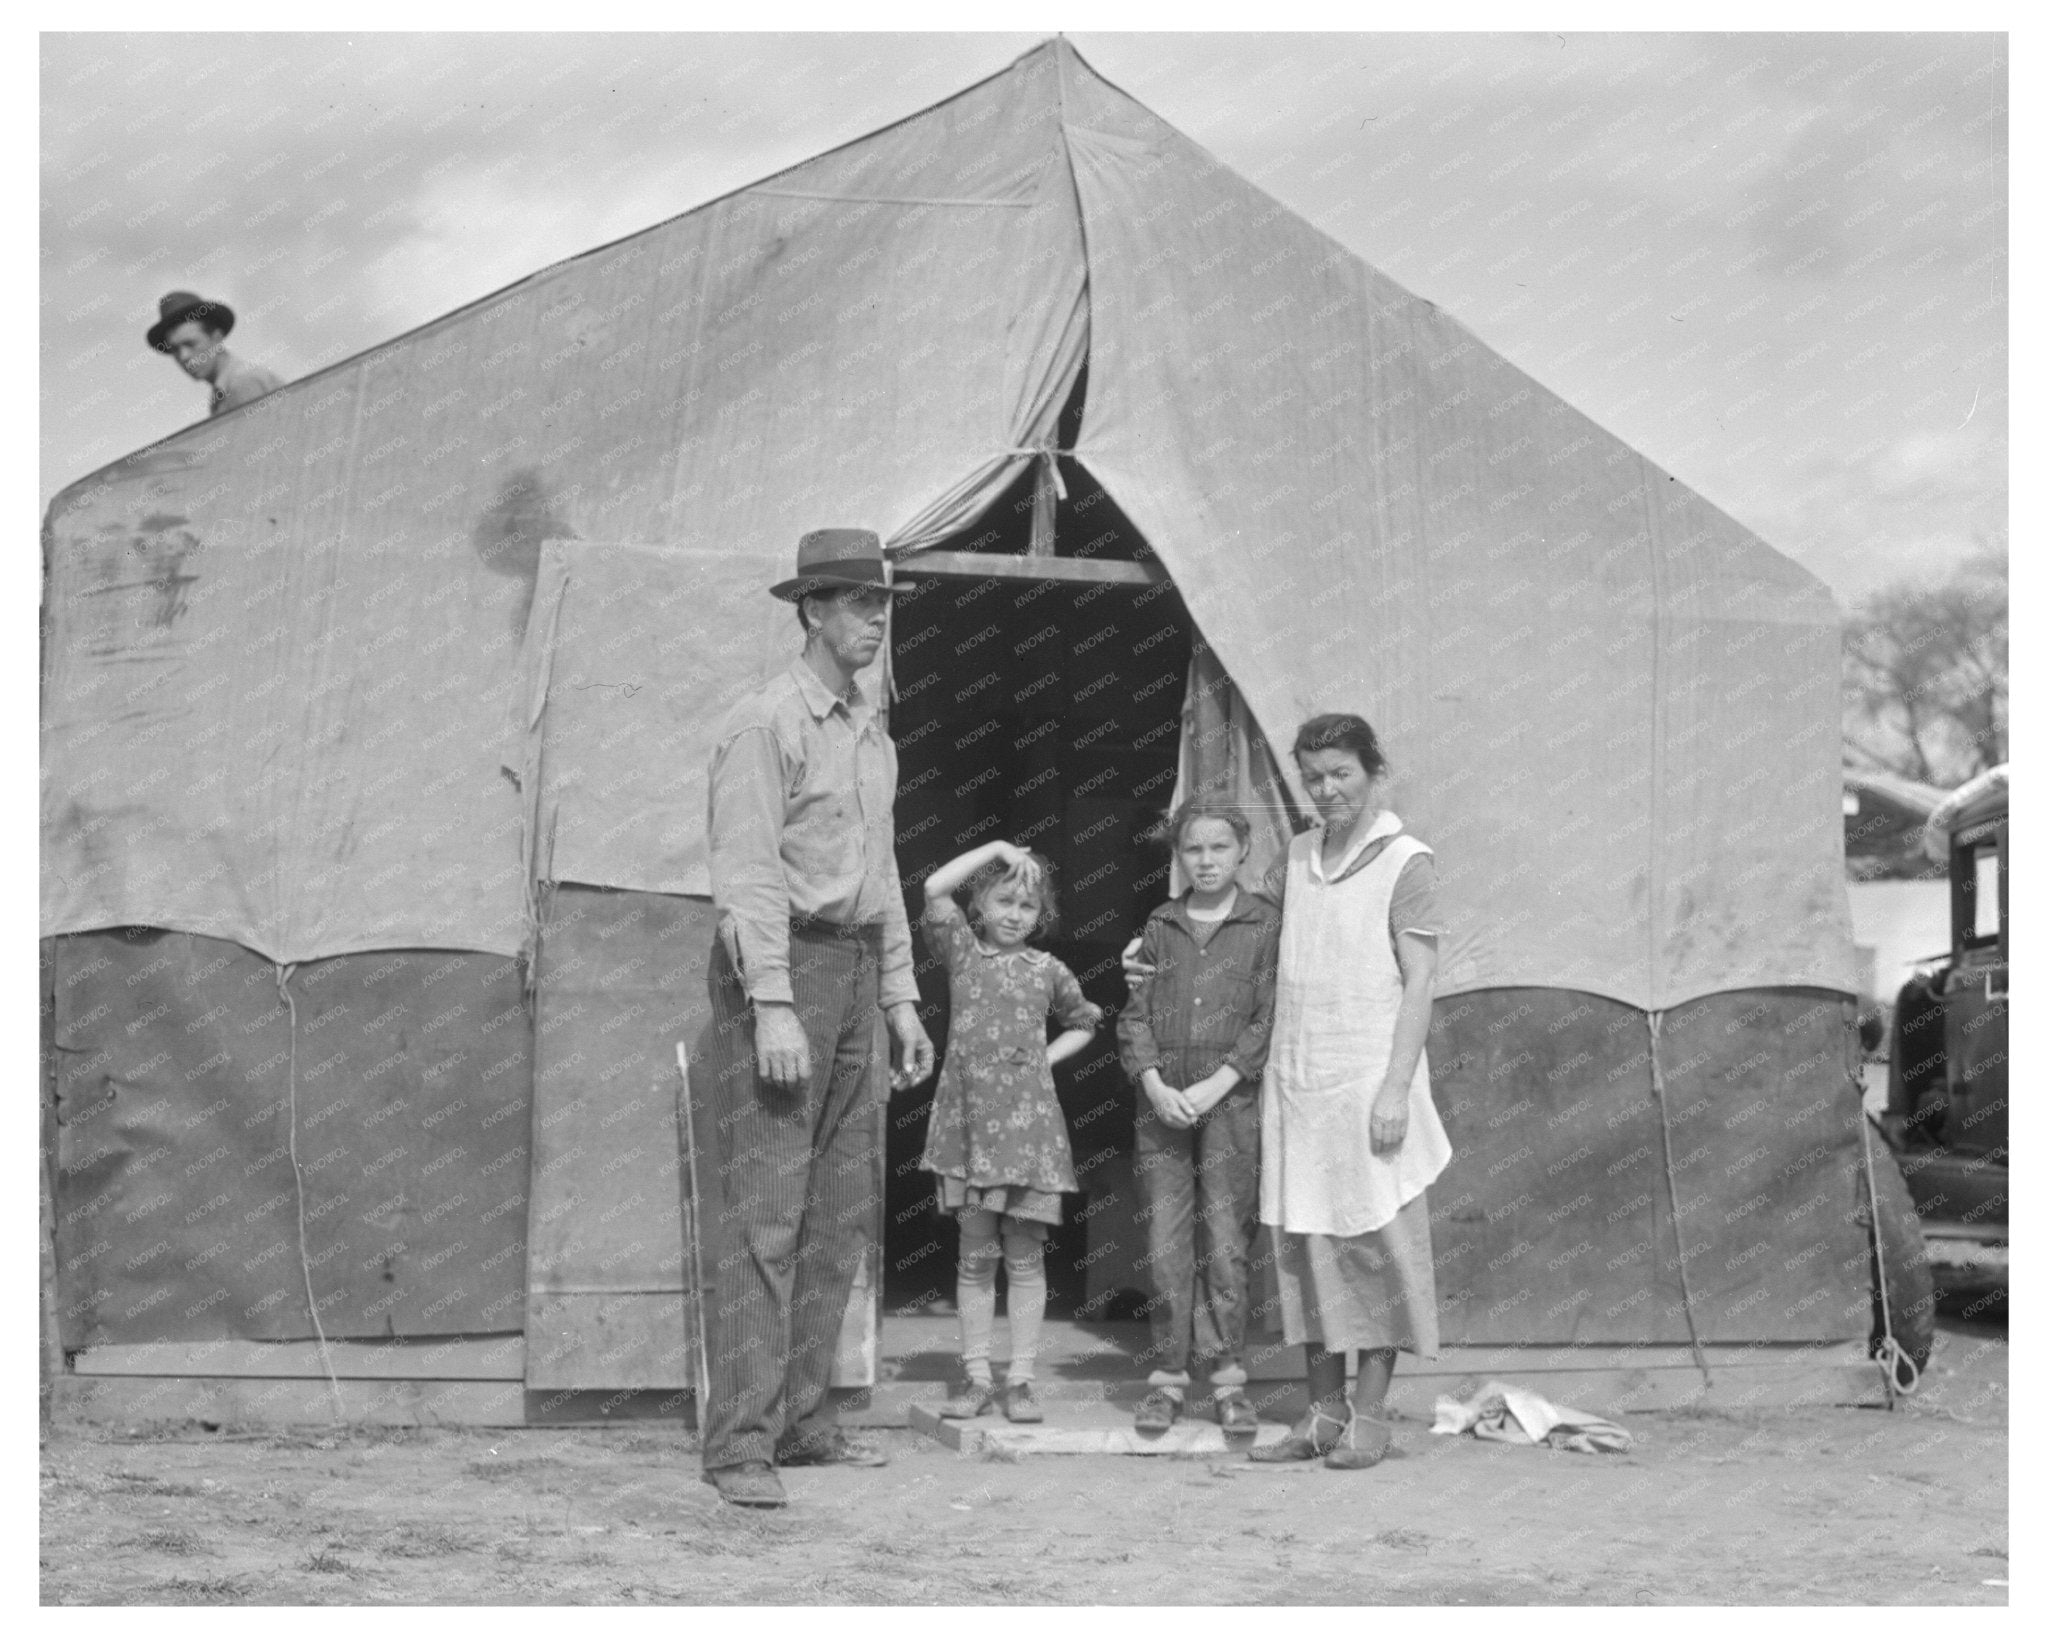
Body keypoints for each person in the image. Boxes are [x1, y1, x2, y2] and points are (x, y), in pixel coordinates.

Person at [698, 526, 937, 1509]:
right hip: (783, 969)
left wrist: (900, 996)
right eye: (856, 603)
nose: (875, 620)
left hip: (850, 975)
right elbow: (746, 875)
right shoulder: (766, 723)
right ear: (811, 611)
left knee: (839, 1218)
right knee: (767, 1219)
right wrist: (772, 1005)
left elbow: (878, 873)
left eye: (883, 604)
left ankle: (801, 1420)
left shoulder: (869, 731)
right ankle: (739, 1446)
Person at [1246, 711, 1452, 1469]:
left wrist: (1396, 1088)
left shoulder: (1407, 862)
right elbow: (1251, 937)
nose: (1327, 790)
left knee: (1375, 1250)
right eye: (1314, 778)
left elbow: (1422, 979)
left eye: (1342, 774)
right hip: (1300, 1084)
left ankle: (1370, 1417)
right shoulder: (1297, 856)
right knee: (1306, 1248)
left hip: (1370, 1080)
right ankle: (1321, 1416)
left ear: (1374, 773)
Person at [921, 840, 1102, 1424]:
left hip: (1029, 1139)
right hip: (968, 1132)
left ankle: (1020, 1380)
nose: (1014, 914)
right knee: (975, 1258)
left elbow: (1085, 1021)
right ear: (980, 906)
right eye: (1003, 900)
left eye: (1027, 905)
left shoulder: (1048, 970)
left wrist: (1045, 1059)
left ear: (1040, 915)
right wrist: (998, 848)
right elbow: (932, 889)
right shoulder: (963, 955)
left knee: (1023, 1257)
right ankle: (975, 1377)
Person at [1115, 801, 1280, 1436]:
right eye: (1192, 850)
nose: (1206, 861)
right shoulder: (1160, 924)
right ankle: (1167, 1379)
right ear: (1177, 856)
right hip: (1162, 1105)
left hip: (1231, 1103)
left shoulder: (1264, 924)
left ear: (1243, 853)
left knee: (1228, 1241)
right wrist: (1152, 1082)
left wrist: (1220, 1081)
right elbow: (1134, 1014)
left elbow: (1269, 1015)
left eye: (1218, 849)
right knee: (1165, 1242)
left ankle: (1230, 1380)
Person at [145, 291, 284, 417]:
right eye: (175, 349)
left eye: (191, 344)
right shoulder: (221, 393)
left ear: (216, 338)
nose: (183, 356)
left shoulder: (243, 383)